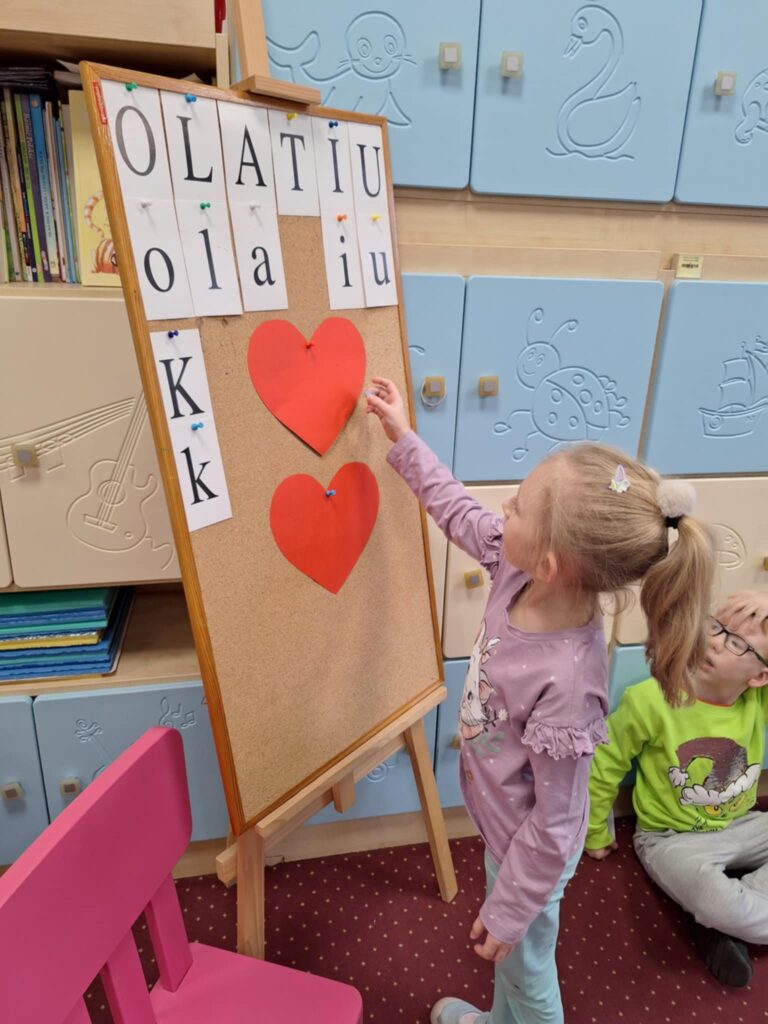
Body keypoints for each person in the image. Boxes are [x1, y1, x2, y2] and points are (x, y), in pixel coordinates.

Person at [365, 377, 716, 1024]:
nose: (505, 506)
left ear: (552, 564)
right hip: (504, 825)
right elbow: (454, 508)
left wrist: (512, 907)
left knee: (528, 979)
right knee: (510, 974)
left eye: (519, 507)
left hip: (528, 851)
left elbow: (558, 824)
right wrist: (404, 437)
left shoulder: (570, 683)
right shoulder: (516, 566)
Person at [585, 591, 768, 988]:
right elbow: (603, 764)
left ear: (758, 676)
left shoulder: (759, 700)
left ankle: (718, 923)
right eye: (716, 627)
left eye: (738, 643)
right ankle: (721, 916)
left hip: (743, 823)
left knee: (725, 905)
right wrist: (595, 831)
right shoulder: (650, 699)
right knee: (718, 901)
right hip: (671, 838)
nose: (715, 642)